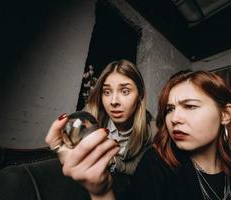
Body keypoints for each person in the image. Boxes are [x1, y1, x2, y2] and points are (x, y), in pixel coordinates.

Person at [51, 70, 231, 200]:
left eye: (190, 106)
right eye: (169, 109)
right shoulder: (156, 164)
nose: (175, 118)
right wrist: (100, 192)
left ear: (226, 114)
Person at [45, 59, 155, 198]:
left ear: (140, 95)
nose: (113, 101)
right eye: (107, 92)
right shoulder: (90, 117)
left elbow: (141, 168)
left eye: (125, 91)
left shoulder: (152, 130)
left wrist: (113, 162)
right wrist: (61, 149)